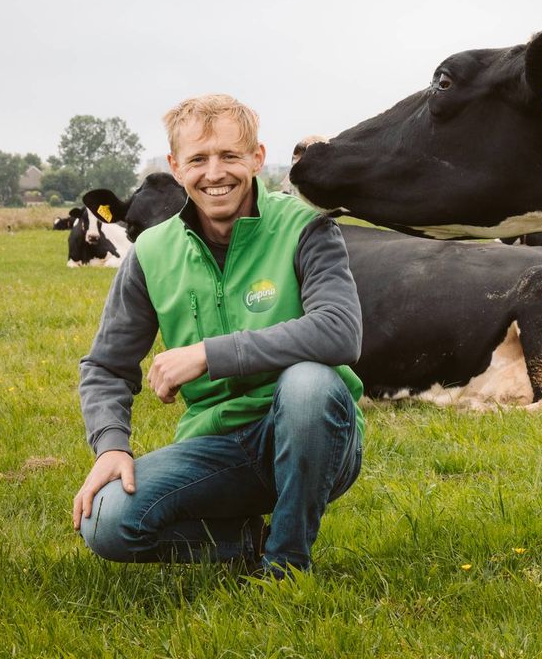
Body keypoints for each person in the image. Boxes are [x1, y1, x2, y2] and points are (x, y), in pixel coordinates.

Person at [71, 93, 364, 578]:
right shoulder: (151, 253)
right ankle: (245, 543)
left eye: (229, 156)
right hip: (218, 444)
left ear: (256, 157)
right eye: (198, 160)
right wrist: (112, 444)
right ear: (175, 165)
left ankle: (287, 564)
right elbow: (106, 365)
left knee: (309, 383)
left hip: (314, 434)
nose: (215, 173)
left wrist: (209, 354)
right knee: (105, 521)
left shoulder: (308, 229)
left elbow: (339, 331)